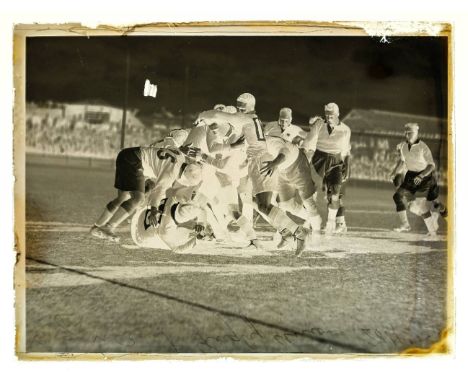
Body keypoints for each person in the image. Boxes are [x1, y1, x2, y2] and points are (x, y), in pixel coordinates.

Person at [194, 93, 309, 255]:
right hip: (256, 161)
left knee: (263, 204)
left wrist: (203, 116)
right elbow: (227, 135)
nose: (239, 110)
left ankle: (297, 231)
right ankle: (289, 231)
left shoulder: (246, 119)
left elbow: (216, 116)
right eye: (238, 106)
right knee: (256, 202)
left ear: (250, 107)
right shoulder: (249, 120)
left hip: (259, 160)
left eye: (242, 107)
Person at [89, 144, 199, 242]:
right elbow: (159, 191)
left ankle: (96, 227)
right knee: (138, 199)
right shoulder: (171, 174)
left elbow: (170, 146)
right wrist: (153, 210)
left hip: (127, 155)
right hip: (134, 161)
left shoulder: (180, 156)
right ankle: (109, 227)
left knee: (123, 197)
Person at [389, 123, 446, 238]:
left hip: (425, 177)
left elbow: (431, 166)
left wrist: (421, 176)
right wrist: (395, 172)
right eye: (406, 132)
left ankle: (436, 223)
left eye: (410, 132)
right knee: (398, 197)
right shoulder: (403, 147)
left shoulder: (423, 147)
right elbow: (403, 162)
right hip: (411, 177)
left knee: (435, 203)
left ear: (416, 133)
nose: (407, 135)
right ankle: (406, 225)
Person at [302, 103, 351, 234]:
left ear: (338, 114)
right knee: (311, 192)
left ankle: (332, 221)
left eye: (331, 115)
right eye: (327, 115)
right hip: (319, 159)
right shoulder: (319, 125)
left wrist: (347, 166)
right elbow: (308, 142)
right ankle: (310, 220)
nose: (329, 117)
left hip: (336, 161)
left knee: (335, 194)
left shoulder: (345, 130)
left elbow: (346, 151)